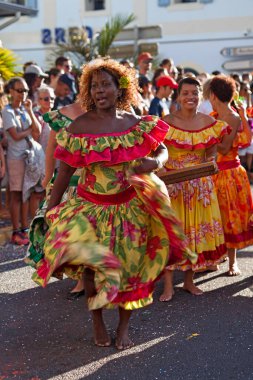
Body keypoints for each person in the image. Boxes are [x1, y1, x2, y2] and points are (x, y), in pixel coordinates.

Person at [29, 58, 196, 349]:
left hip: (129, 210)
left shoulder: (132, 122)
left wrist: (154, 162)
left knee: (129, 272)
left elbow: (162, 150)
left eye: (106, 84)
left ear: (120, 88)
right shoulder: (80, 126)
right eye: (94, 86)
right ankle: (97, 322)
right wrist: (49, 209)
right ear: (87, 91)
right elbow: (64, 171)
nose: (99, 91)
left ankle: (123, 328)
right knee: (92, 269)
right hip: (90, 210)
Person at [160, 77, 230, 301]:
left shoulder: (209, 122)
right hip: (173, 186)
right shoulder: (165, 122)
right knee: (172, 235)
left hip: (200, 186)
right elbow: (156, 153)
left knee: (194, 236)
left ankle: (189, 282)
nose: (190, 97)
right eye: (185, 93)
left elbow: (211, 151)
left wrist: (210, 161)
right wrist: (160, 169)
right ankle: (168, 286)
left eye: (194, 93)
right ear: (178, 96)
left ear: (200, 96)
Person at [26, 101, 85, 300]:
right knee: (70, 232)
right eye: (93, 83)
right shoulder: (62, 115)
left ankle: (90, 278)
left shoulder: (111, 110)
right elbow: (51, 148)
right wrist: (47, 178)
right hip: (69, 183)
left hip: (98, 184)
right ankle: (81, 278)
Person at [208, 75, 253, 275]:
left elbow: (226, 149)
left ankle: (232, 262)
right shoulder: (213, 116)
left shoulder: (232, 117)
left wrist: (206, 137)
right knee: (215, 218)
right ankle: (217, 256)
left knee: (230, 218)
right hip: (215, 173)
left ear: (214, 95)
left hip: (229, 174)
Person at [2, 77, 42, 245]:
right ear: (11, 92)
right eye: (19, 90)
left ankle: (25, 228)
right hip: (15, 157)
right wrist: (29, 129)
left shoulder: (26, 109)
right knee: (17, 195)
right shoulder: (7, 111)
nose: (23, 94)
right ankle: (16, 230)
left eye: (25, 90)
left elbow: (38, 131)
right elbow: (15, 135)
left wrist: (31, 111)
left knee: (27, 193)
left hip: (29, 156)